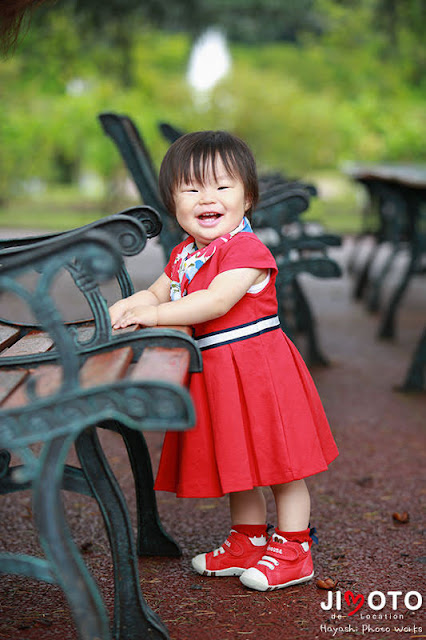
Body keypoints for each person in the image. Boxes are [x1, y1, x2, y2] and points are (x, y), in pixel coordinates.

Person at [109, 130, 339, 592]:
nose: (206, 198)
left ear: (247, 197)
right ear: (173, 201)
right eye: (191, 189)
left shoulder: (246, 251)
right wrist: (126, 305)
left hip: (260, 372)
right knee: (239, 460)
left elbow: (213, 303)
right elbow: (159, 289)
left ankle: (295, 549)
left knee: (280, 463)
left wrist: (153, 316)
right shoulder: (186, 254)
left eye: (221, 186)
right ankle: (248, 540)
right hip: (219, 374)